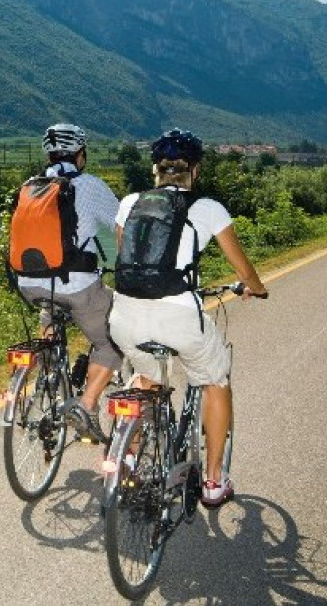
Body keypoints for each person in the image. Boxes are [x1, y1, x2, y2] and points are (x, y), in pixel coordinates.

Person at [108, 128, 268, 508]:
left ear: (156, 171)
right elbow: (244, 271)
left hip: (125, 316)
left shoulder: (131, 202)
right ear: (194, 171)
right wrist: (256, 288)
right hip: (178, 316)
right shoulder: (209, 209)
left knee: (144, 379)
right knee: (215, 380)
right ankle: (214, 481)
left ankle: (127, 458)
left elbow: (127, 257)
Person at [13, 123, 123, 443]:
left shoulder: (29, 187)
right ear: (80, 154)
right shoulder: (89, 185)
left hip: (29, 284)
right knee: (112, 338)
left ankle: (49, 376)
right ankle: (87, 407)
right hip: (76, 283)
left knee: (49, 307)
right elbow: (123, 225)